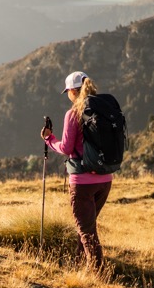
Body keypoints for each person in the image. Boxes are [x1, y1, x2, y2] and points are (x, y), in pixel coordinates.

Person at [41, 70, 112, 271]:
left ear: (72, 91)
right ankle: (79, 265)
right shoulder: (105, 110)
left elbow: (66, 148)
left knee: (87, 230)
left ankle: (98, 275)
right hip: (105, 179)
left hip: (83, 182)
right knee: (86, 225)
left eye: (68, 92)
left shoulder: (73, 114)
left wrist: (49, 139)